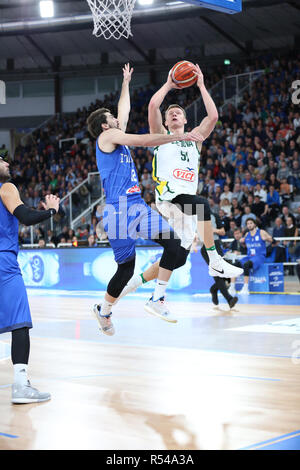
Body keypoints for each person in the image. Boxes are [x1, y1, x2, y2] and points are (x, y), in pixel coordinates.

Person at [86, 63, 204, 332]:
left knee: (160, 251)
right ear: (105, 125)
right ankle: (118, 307)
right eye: (112, 119)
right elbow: (142, 140)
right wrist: (176, 138)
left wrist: (126, 83)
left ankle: (141, 301)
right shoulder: (108, 135)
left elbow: (123, 111)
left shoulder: (116, 135)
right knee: (134, 265)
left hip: (129, 207)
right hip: (122, 209)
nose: (117, 120)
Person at [115, 64, 243, 303]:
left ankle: (125, 288)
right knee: (203, 205)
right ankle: (215, 261)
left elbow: (213, 116)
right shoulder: (161, 137)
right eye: (170, 113)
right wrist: (169, 84)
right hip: (169, 199)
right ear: (165, 121)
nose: (174, 114)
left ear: (185, 119)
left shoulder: (195, 138)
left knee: (178, 258)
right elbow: (153, 106)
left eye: (178, 113)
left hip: (186, 205)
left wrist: (202, 85)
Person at [0, 154, 60, 404]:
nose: (7, 163)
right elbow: (25, 216)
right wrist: (52, 211)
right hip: (4, 263)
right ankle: (21, 385)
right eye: (1, 160)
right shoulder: (6, 187)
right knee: (19, 323)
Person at [228, 218, 273, 296]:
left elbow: (272, 240)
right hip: (250, 256)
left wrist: (267, 238)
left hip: (259, 256)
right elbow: (245, 246)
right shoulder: (246, 234)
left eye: (251, 223)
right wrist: (242, 242)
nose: (249, 225)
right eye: (248, 224)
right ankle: (232, 287)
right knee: (234, 265)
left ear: (254, 224)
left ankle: (245, 288)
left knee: (246, 265)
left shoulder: (261, 232)